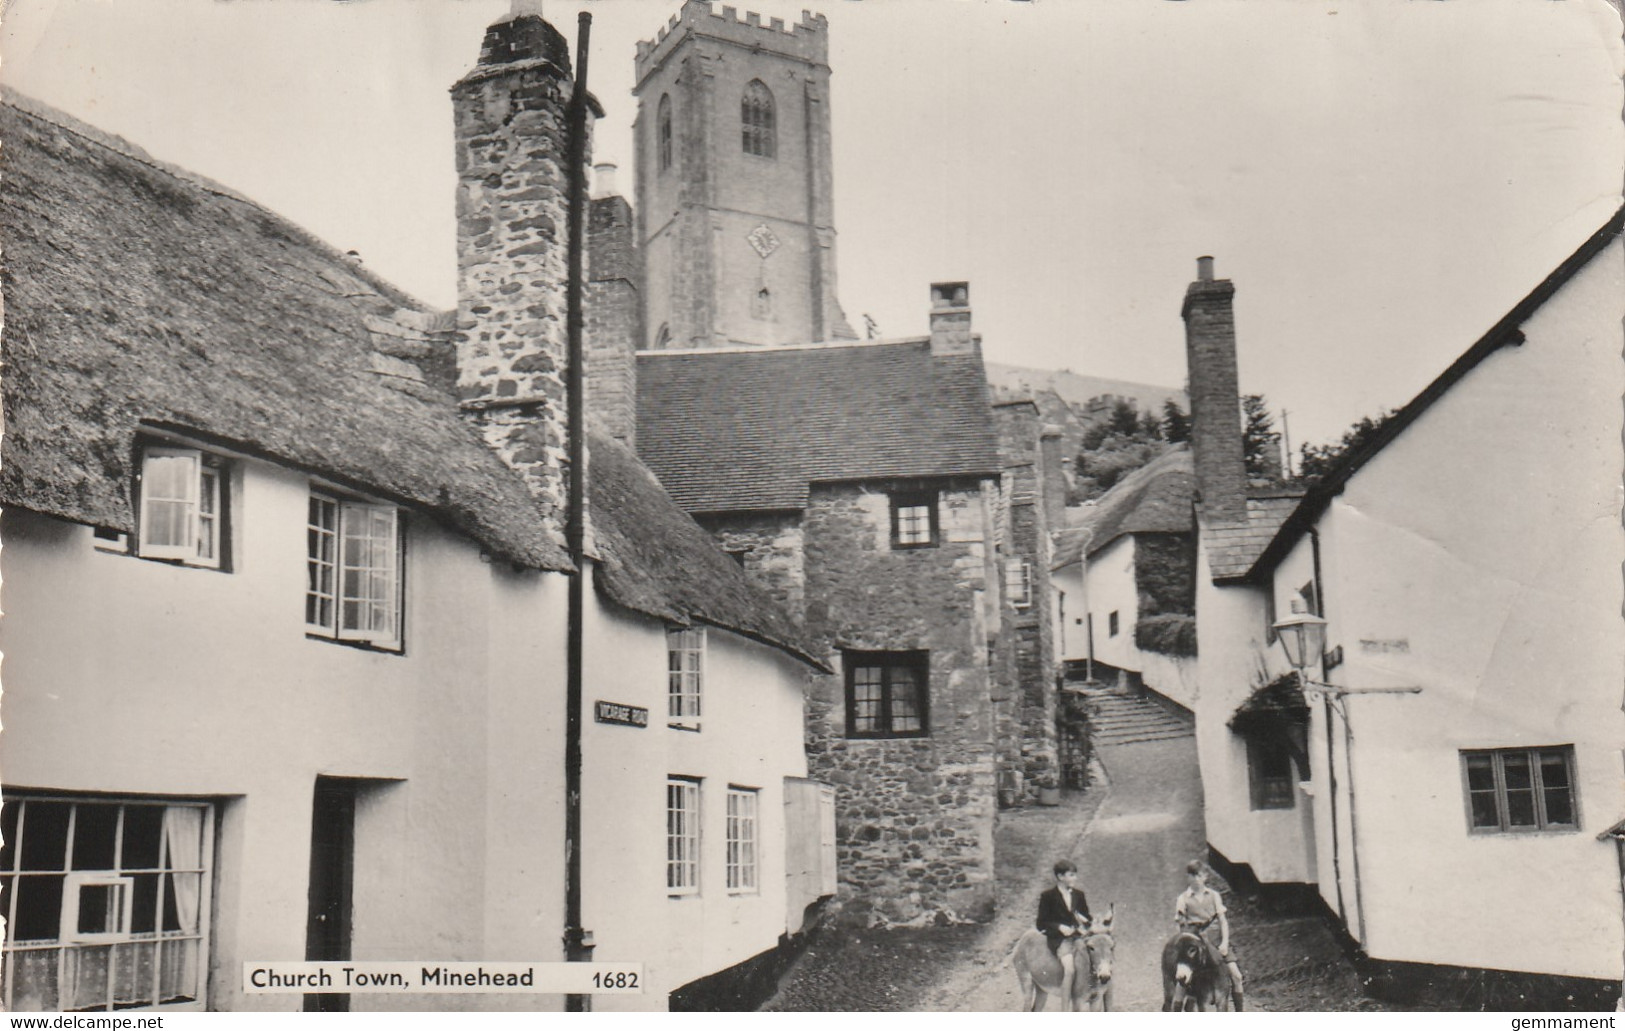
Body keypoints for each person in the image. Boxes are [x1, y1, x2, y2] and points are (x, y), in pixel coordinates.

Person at [1174, 859, 1245, 1011]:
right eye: (1192, 876)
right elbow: (1180, 926)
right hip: (1194, 943)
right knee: (1182, 983)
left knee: (1236, 976)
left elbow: (1223, 921)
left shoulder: (1214, 895)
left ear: (1205, 877)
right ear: (1188, 877)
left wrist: (1225, 942)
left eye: (1199, 875)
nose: (1196, 879)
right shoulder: (1183, 899)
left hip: (1215, 942)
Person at [1036, 859, 1092, 1001]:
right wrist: (1059, 927)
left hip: (1078, 938)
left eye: (1075, 875)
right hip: (1059, 940)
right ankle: (1066, 1008)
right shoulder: (1047, 896)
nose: (1075, 878)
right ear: (1060, 877)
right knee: (1070, 969)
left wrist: (1084, 920)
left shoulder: (1079, 895)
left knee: (1096, 959)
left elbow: (1087, 917)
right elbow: (1041, 923)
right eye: (1071, 875)